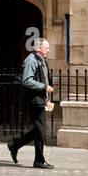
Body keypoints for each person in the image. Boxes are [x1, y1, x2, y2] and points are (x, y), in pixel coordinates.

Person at [7, 36, 54, 169]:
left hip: (40, 99)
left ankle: (15, 145)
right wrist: (44, 87)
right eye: (46, 48)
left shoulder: (42, 60)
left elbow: (45, 78)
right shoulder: (31, 60)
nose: (48, 50)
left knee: (39, 129)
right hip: (33, 100)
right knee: (41, 130)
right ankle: (39, 160)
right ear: (38, 48)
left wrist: (47, 97)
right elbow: (27, 80)